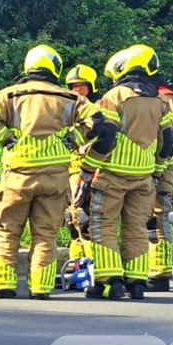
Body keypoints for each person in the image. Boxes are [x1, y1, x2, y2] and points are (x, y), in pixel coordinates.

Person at [0, 45, 98, 300]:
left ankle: (1, 283)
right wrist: (72, 140)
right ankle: (41, 288)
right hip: (55, 177)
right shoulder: (69, 98)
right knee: (46, 235)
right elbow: (99, 121)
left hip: (18, 175)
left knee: (6, 229)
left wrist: (6, 139)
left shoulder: (9, 95)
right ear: (56, 68)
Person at [78, 45, 173, 300]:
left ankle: (110, 281)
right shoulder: (159, 100)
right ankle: (136, 282)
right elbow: (169, 139)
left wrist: (89, 166)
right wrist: (157, 170)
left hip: (112, 174)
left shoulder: (116, 96)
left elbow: (106, 135)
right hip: (144, 177)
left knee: (103, 225)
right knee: (136, 228)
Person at [126, 45, 173, 291]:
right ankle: (147, 268)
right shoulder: (146, 94)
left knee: (157, 215)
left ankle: (159, 274)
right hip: (146, 164)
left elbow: (172, 136)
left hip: (161, 166)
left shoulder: (164, 96)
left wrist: (160, 168)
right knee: (144, 216)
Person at [63, 64, 101, 260]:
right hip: (69, 169)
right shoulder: (67, 109)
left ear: (91, 86)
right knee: (71, 219)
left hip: (90, 169)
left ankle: (93, 263)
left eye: (82, 85)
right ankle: (76, 262)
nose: (77, 89)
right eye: (74, 86)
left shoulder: (99, 108)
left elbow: (105, 136)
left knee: (85, 219)